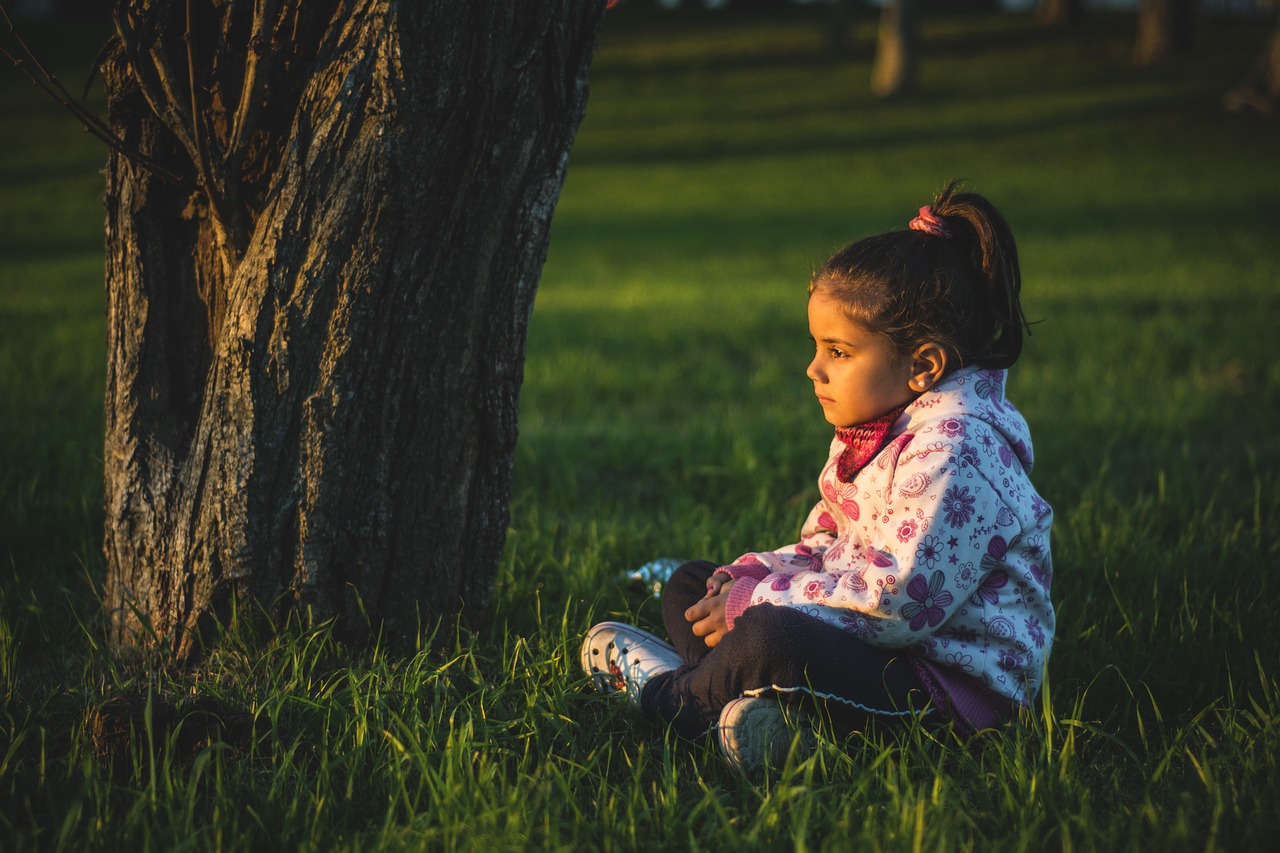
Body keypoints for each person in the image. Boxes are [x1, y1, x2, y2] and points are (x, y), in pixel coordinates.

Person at [580, 181, 1055, 772]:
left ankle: (672, 700)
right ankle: (775, 726)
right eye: (816, 346)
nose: (813, 368)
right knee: (692, 585)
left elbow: (895, 603)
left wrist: (757, 602)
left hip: (943, 695)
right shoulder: (881, 428)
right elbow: (828, 551)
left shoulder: (958, 454)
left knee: (771, 638)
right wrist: (752, 575)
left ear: (922, 365)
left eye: (839, 351)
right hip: (876, 652)